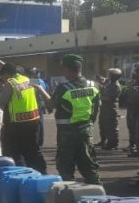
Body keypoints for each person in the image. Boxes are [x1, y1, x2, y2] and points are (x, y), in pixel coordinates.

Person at [35, 54, 99, 184]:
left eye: (63, 69)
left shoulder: (64, 88)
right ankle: (98, 194)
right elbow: (96, 109)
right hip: (86, 131)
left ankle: (69, 196)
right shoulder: (93, 85)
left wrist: (40, 89)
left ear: (69, 69)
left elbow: (51, 105)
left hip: (67, 134)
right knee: (89, 165)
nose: (62, 72)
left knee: (66, 168)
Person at [0, 62, 47, 173]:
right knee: (33, 151)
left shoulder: (10, 83)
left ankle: (21, 174)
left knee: (13, 152)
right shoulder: (27, 79)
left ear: (6, 74)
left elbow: (0, 102)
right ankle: (41, 172)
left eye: (2, 76)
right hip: (33, 120)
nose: (1, 78)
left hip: (16, 123)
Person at [99, 68, 123, 150]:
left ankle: (113, 144)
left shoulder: (116, 85)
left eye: (110, 74)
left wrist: (99, 97)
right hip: (105, 108)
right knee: (103, 125)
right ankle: (104, 141)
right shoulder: (110, 84)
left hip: (111, 108)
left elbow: (110, 98)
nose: (108, 76)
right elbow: (105, 92)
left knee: (112, 126)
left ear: (114, 76)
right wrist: (101, 87)